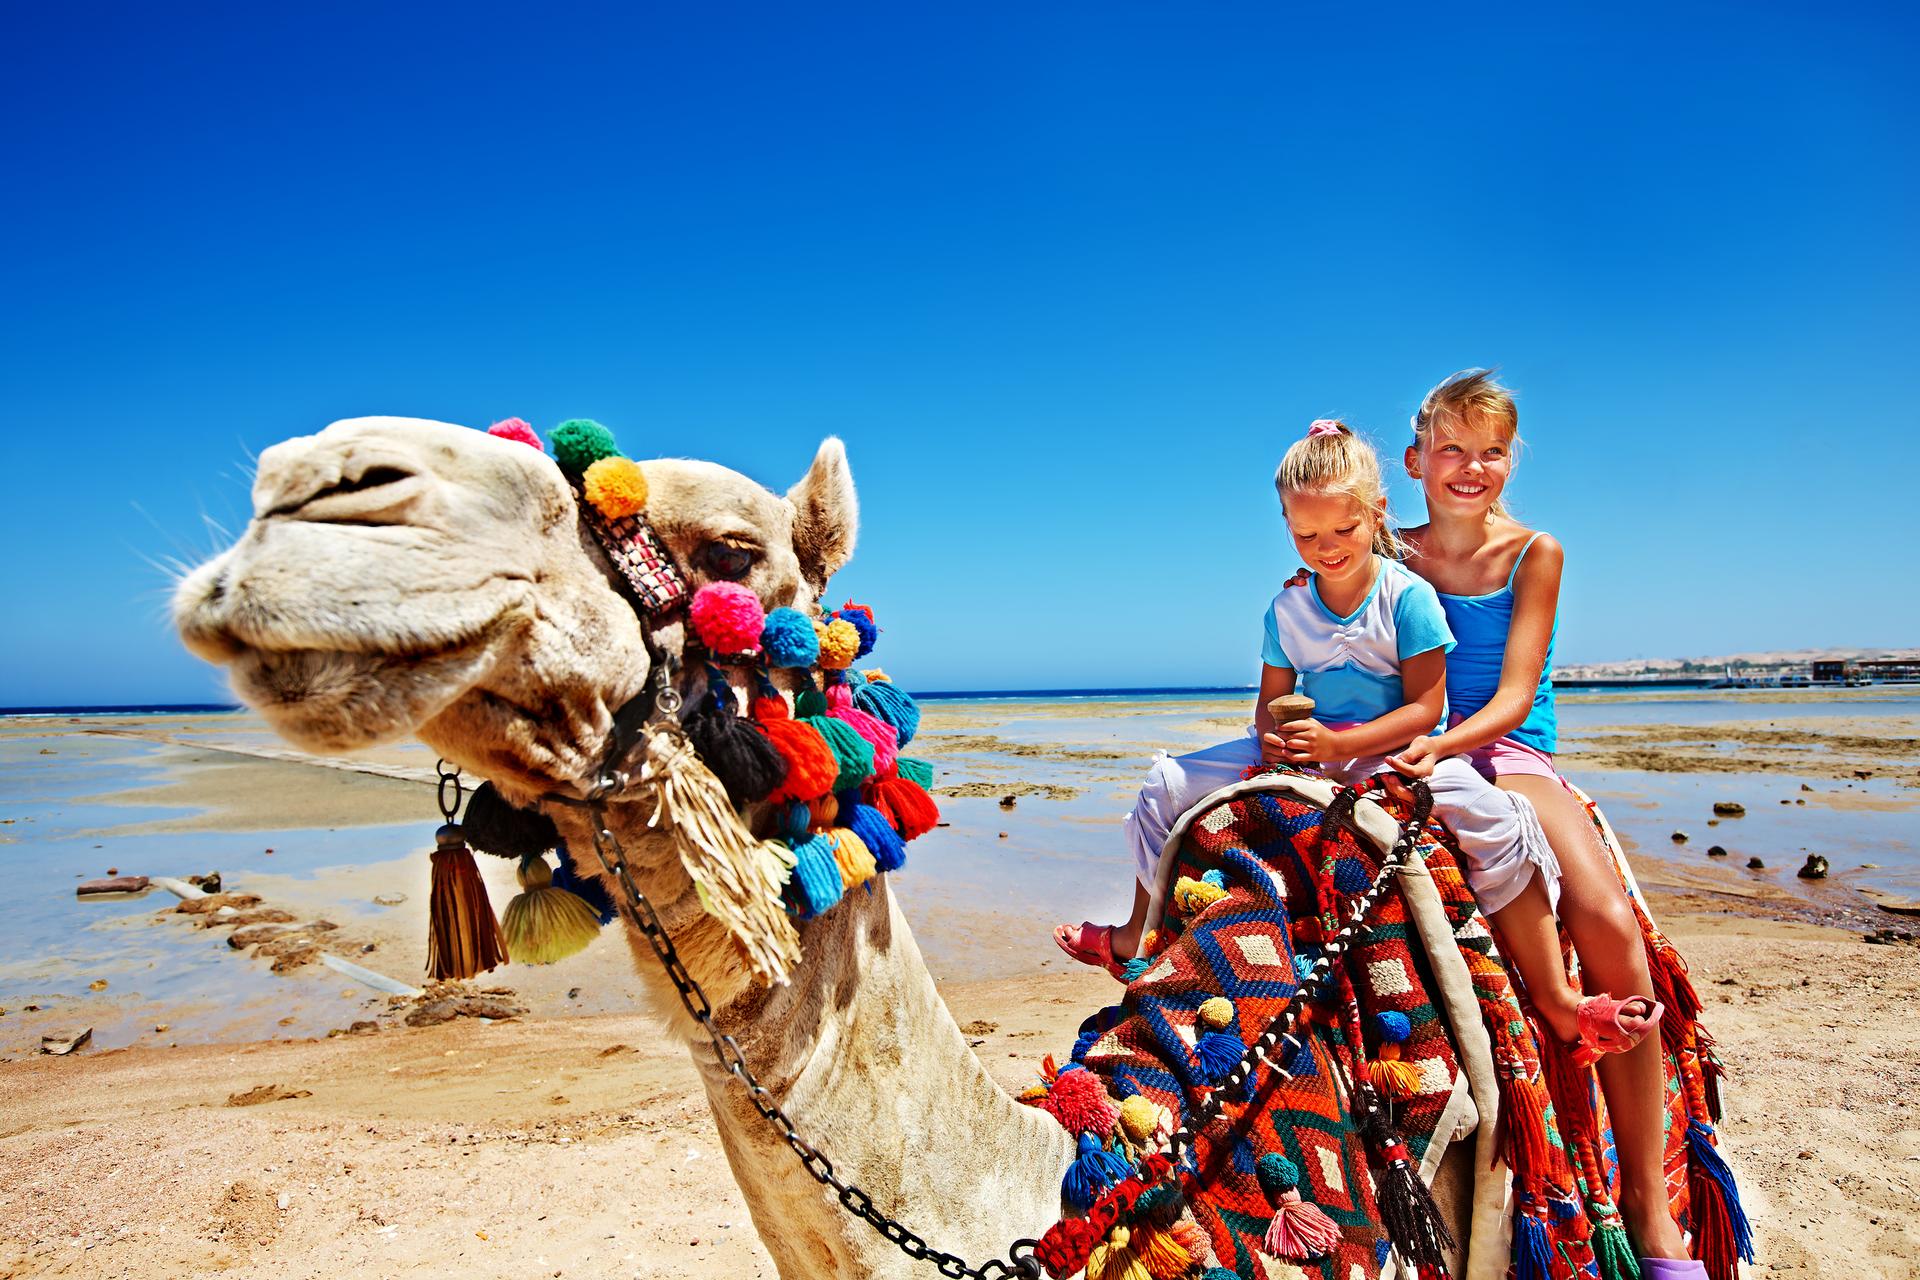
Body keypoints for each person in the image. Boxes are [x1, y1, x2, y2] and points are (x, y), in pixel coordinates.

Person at [1055, 421, 1565, 1026]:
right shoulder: (1287, 607)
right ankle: (1137, 933)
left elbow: (1427, 709)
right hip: (1312, 751)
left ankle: (1555, 994)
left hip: (1387, 746)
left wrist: (1337, 741)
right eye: (1306, 534)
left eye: (1345, 529)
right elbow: (1272, 701)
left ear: (1377, 513)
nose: (1327, 547)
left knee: (1497, 819)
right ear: (1288, 528)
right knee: (1163, 784)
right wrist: (1276, 740)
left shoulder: (1408, 598)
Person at [1384, 370, 1691, 1268]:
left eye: (1490, 452)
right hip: (1414, 741)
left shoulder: (1534, 552)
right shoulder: (1386, 552)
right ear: (1415, 460)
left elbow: (1515, 696)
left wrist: (1443, 746)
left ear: (1509, 462)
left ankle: (1644, 1200)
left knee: (1602, 919)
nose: (1469, 467)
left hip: (1505, 751)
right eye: (1451, 448)